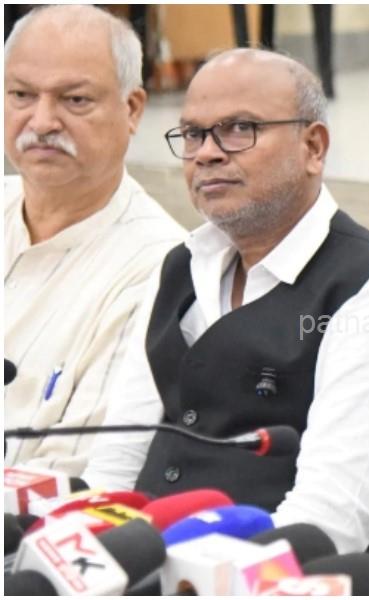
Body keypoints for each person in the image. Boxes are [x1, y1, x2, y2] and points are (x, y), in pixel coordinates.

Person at [82, 48, 369, 573]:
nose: (207, 153)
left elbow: (327, 526)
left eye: (239, 129)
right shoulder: (182, 266)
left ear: (313, 147)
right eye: (193, 134)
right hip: (136, 566)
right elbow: (116, 462)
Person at [4, 5, 185, 475]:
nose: (42, 121)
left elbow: (73, 479)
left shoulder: (158, 268)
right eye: (22, 95)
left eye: (75, 100)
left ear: (132, 109)